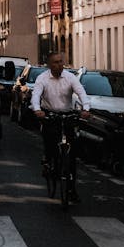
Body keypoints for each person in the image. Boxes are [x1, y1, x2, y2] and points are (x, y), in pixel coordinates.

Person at [31, 53, 91, 202]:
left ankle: (71, 189)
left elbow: (81, 92)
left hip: (67, 114)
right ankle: (48, 160)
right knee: (50, 141)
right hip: (50, 115)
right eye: (56, 62)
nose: (60, 65)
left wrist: (86, 108)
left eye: (61, 62)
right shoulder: (42, 79)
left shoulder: (70, 77)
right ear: (49, 65)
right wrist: (37, 110)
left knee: (71, 154)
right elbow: (36, 95)